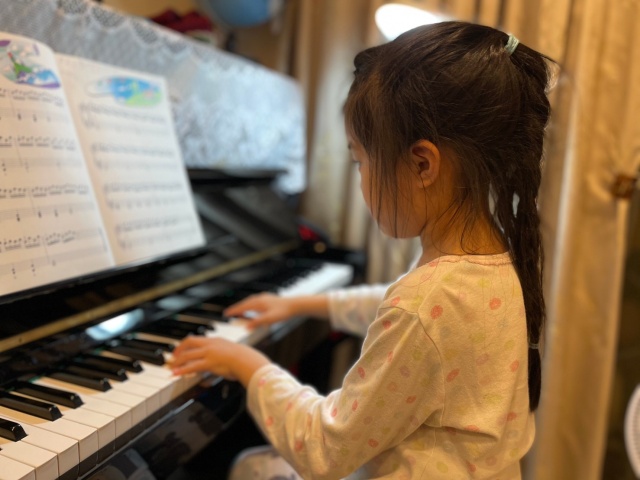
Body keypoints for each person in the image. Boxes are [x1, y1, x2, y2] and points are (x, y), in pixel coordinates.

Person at [170, 20, 552, 479]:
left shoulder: (425, 303)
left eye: (360, 160)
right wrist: (302, 304)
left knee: (249, 467)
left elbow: (324, 450)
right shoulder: (487, 261)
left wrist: (247, 365)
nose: (361, 179)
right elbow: (401, 311)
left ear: (422, 164)